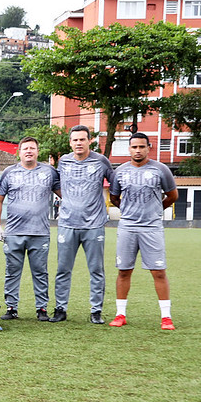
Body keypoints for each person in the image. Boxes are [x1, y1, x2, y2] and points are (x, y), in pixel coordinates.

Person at [108, 133, 178, 330]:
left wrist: (155, 210)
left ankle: (166, 317)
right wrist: (129, 212)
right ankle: (120, 314)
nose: (137, 150)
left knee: (158, 271)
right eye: (134, 147)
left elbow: (172, 195)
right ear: (129, 149)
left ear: (149, 148)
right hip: (127, 226)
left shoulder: (160, 170)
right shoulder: (120, 171)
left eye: (141, 147)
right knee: (123, 271)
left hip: (151, 227)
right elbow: (114, 198)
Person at [50, 125, 114, 324]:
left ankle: (96, 311)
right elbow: (55, 184)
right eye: (75, 140)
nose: (79, 143)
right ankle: (60, 309)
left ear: (89, 141)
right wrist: (68, 199)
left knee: (96, 269)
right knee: (63, 269)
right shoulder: (64, 161)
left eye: (82, 139)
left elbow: (115, 183)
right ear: (70, 142)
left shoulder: (101, 161)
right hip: (67, 223)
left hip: (94, 224)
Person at [0, 137, 60, 322]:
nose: (29, 151)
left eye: (32, 148)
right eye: (25, 148)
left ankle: (42, 308)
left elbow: (63, 194)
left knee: (40, 271)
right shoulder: (9, 172)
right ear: (19, 152)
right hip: (14, 231)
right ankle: (12, 307)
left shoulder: (49, 172)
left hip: (40, 232)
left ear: (38, 151)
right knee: (12, 271)